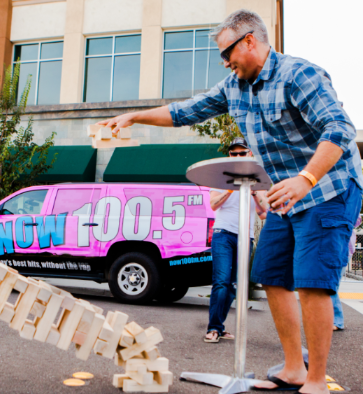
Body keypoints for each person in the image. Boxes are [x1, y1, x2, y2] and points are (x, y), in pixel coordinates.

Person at [96, 9, 363, 394]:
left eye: (227, 53)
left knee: (313, 283)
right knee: (270, 274)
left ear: (250, 40)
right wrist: (135, 116)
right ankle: (293, 368)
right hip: (284, 195)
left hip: (328, 187)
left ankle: (316, 380)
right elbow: (185, 111)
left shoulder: (299, 75)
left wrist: (306, 179)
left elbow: (339, 129)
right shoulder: (233, 88)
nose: (225, 62)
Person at [205, 137, 267, 343]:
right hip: (223, 234)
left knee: (233, 285)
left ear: (249, 153)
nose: (238, 156)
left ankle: (219, 327)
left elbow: (264, 213)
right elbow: (213, 204)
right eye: (234, 153)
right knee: (221, 282)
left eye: (242, 152)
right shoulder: (221, 177)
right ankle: (213, 328)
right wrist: (231, 188)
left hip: (245, 237)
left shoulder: (257, 179)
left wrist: (255, 192)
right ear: (229, 155)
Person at [331, 216, 361, 331]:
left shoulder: (348, 203)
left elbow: (356, 220)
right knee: (329, 285)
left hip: (342, 249)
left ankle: (337, 321)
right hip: (337, 248)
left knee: (331, 285)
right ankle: (331, 319)